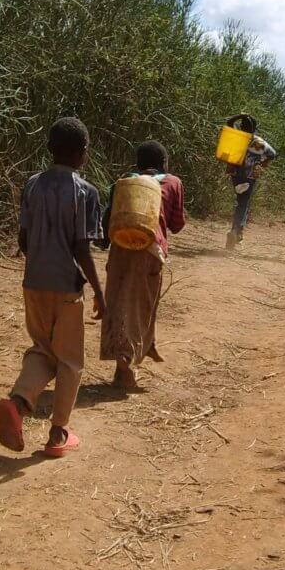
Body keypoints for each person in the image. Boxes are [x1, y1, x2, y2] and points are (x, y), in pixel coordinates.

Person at [0, 117, 104, 457]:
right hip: (66, 286)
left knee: (43, 350)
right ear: (83, 154)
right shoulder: (85, 192)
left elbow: (23, 238)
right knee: (70, 360)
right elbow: (82, 248)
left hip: (34, 282)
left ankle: (18, 402)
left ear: (49, 149)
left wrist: (40, 259)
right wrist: (99, 291)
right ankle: (59, 433)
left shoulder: (32, 185)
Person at [100, 141, 185, 390]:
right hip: (149, 250)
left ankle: (135, 355)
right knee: (142, 305)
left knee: (118, 303)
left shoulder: (123, 182)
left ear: (137, 164)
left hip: (119, 246)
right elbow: (177, 224)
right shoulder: (172, 182)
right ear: (164, 163)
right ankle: (126, 371)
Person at [225, 116, 276, 250]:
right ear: (254, 128)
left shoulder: (236, 136)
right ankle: (236, 231)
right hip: (249, 176)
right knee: (243, 204)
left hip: (235, 174)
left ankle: (237, 233)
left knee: (240, 202)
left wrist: (240, 116)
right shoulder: (258, 142)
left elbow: (229, 122)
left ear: (241, 127)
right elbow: (272, 154)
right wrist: (262, 164)